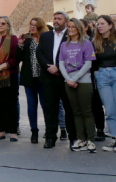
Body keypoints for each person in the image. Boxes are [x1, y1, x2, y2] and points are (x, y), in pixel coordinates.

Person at [37, 12, 77, 149]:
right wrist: (49, 67)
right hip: (48, 77)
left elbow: (74, 55)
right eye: (54, 18)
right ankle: (50, 138)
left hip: (66, 77)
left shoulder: (71, 35)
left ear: (66, 22)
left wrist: (59, 68)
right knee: (50, 109)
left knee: (69, 109)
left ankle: (73, 138)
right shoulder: (45, 35)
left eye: (59, 19)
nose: (56, 21)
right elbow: (39, 53)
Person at [92, 15, 116, 153]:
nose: (99, 26)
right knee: (109, 109)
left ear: (110, 25)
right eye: (98, 24)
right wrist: (96, 72)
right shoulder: (95, 41)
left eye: (102, 23)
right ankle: (115, 136)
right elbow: (93, 60)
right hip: (102, 75)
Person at [58, 18, 97, 153]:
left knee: (87, 111)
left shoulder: (86, 43)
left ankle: (91, 140)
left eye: (73, 27)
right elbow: (61, 64)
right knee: (76, 112)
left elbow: (88, 63)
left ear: (79, 29)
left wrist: (74, 78)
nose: (70, 29)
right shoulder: (64, 45)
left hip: (83, 80)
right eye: (68, 27)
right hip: (69, 81)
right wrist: (68, 79)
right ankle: (81, 139)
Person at [19, 17, 49, 144]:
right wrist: (20, 45)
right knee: (31, 105)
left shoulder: (46, 38)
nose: (32, 27)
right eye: (31, 25)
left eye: (35, 25)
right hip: (29, 77)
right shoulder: (26, 39)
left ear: (40, 27)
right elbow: (18, 58)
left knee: (45, 105)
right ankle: (34, 131)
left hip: (44, 78)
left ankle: (49, 131)